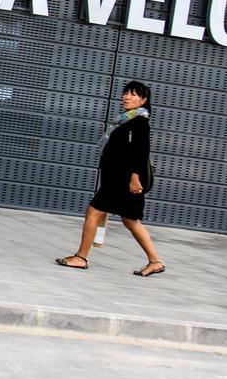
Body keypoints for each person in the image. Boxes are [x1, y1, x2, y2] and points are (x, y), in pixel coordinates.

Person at [56, 81, 165, 277]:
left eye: (132, 94)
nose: (126, 97)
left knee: (93, 212)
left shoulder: (139, 122)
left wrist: (134, 178)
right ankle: (155, 261)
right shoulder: (126, 120)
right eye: (125, 93)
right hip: (116, 180)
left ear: (143, 100)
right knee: (131, 221)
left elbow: (141, 152)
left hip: (124, 182)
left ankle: (81, 257)